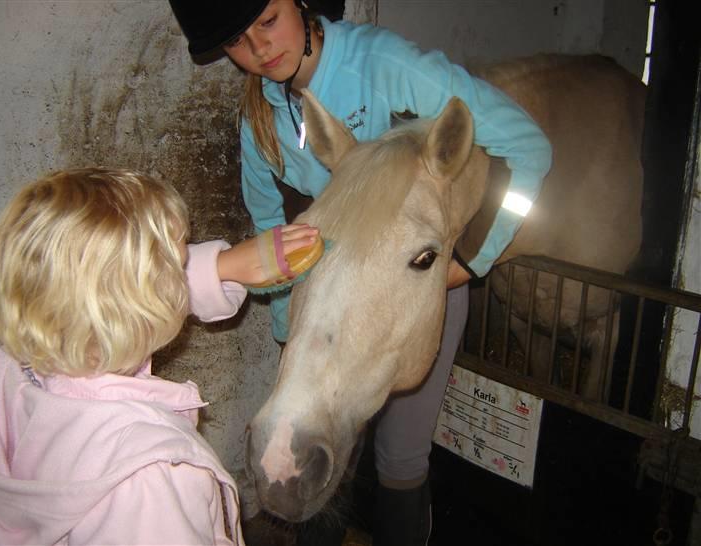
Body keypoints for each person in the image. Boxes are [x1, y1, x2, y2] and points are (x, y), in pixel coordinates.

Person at [168, 1, 552, 544]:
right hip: (326, 298)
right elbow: (270, 235)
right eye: (236, 41)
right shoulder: (259, 123)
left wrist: (470, 262)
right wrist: (291, 341)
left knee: (400, 459)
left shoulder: (384, 65)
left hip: (416, 284)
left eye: (268, 21)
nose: (258, 49)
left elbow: (528, 148)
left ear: (301, 5)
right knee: (328, 458)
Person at [0, 168, 318, 545]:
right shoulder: (152, 479)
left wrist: (222, 266)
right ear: (143, 305)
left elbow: (105, 293)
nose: (183, 269)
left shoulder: (11, 371)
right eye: (176, 263)